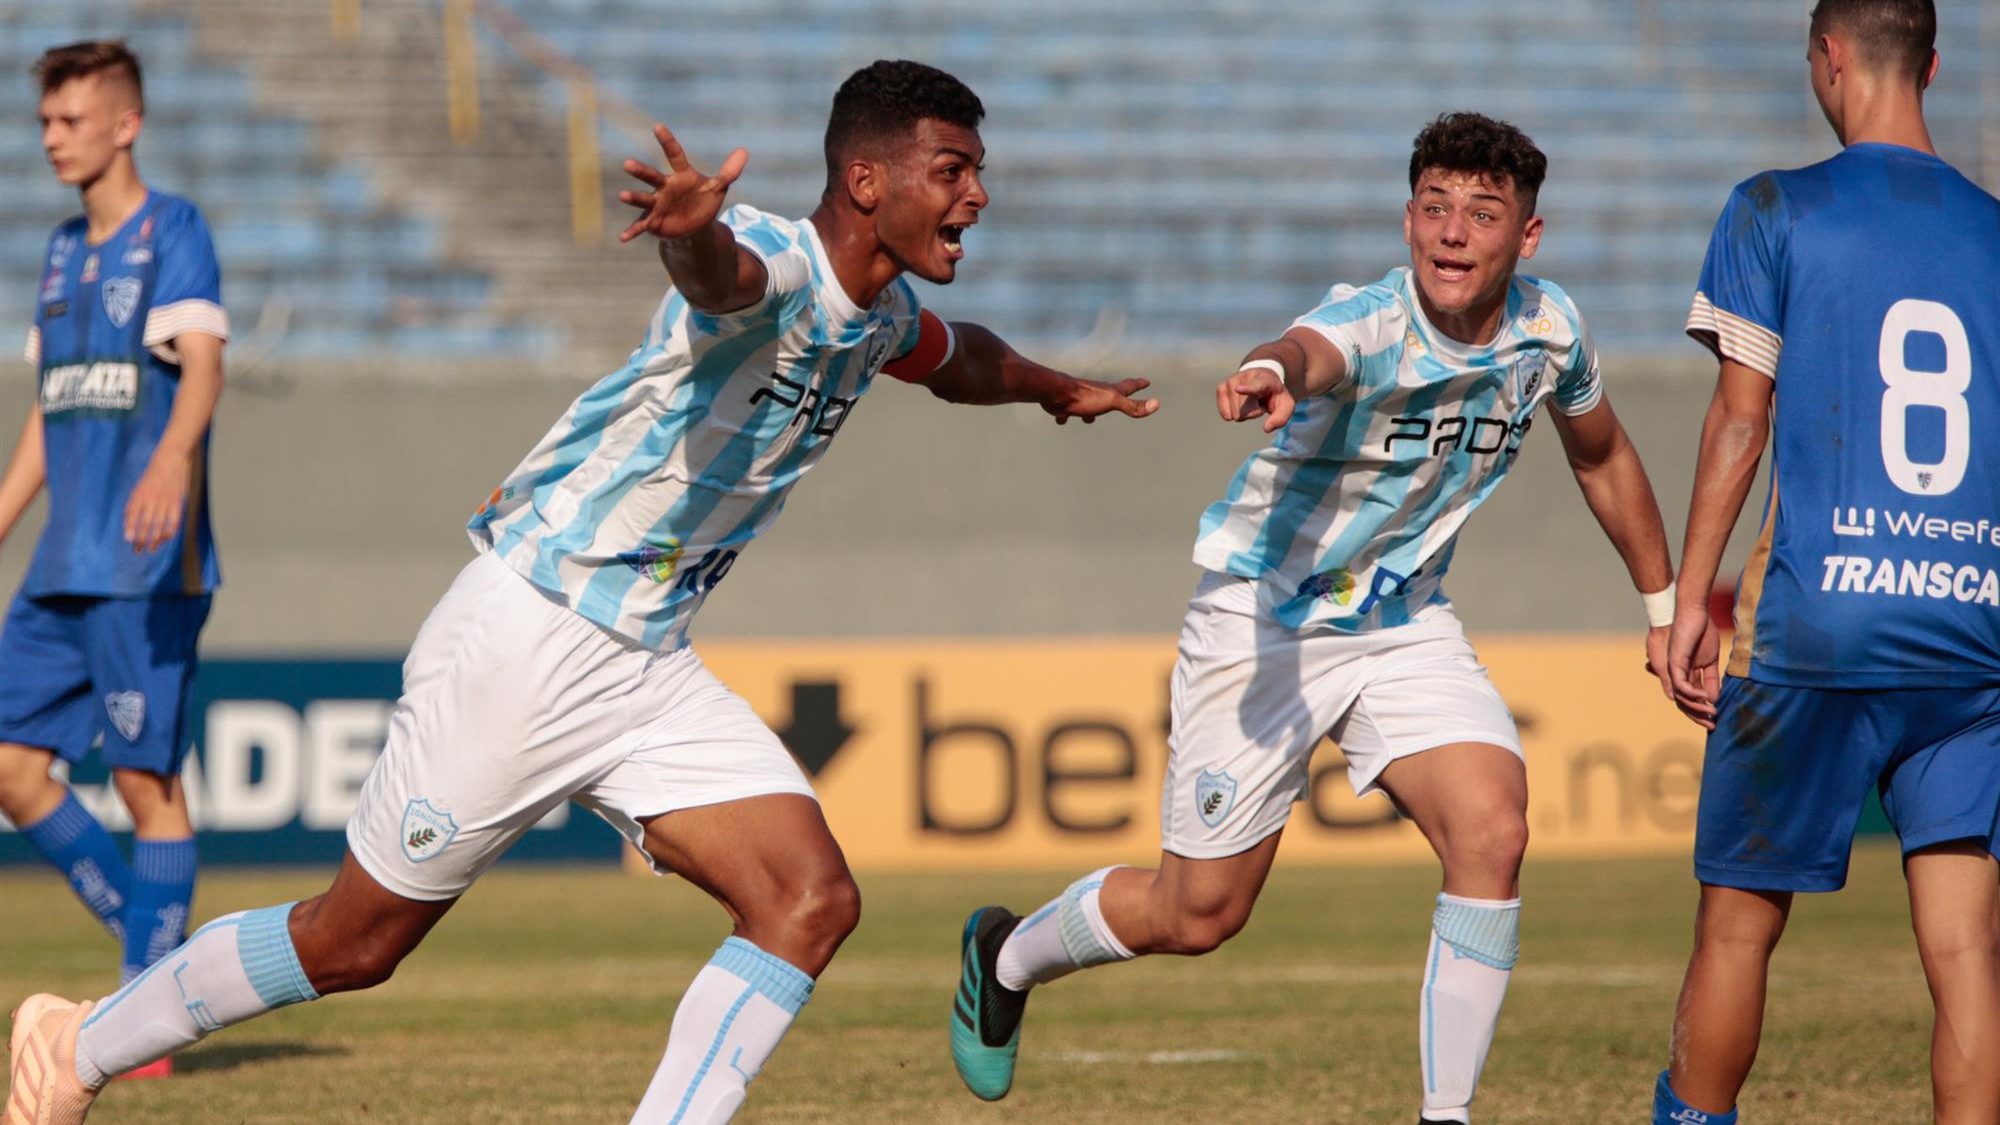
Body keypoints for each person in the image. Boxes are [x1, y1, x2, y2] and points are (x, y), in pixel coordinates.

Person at [5, 59, 1155, 1125]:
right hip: (530, 634)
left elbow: (961, 361)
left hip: (645, 661)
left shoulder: (883, 316)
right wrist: (690, 238)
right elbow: (727, 282)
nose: (975, 196)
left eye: (976, 174)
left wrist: (1062, 389)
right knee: (351, 944)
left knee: (808, 900)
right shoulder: (767, 260)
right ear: (867, 179)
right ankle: (81, 1045)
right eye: (952, 171)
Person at [948, 112, 1676, 1125]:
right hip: (1263, 621)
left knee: (1491, 829)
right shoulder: (1372, 321)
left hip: (1402, 622)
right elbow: (1306, 349)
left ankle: (1444, 1115)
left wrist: (1662, 610)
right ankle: (1006, 956)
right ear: (1406, 218)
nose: (1452, 233)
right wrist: (1269, 373)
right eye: (1433, 208)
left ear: (1528, 236)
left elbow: (1600, 456)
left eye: (1481, 212)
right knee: (1195, 914)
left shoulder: (1550, 330)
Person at [1654, 3, 2000, 1122]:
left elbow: (1739, 420)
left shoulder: (1774, 208)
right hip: (1970, 630)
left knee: (1737, 927)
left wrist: (1691, 600)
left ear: (1828, 55)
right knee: (1963, 955)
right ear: (1933, 66)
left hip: (1814, 626)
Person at [0, 38, 227, 1080]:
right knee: (10, 768)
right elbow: (47, 419)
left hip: (145, 562)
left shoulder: (171, 231)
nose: (51, 138)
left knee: (145, 783)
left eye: (70, 121)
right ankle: (154, 956)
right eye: (45, 122)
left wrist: (172, 462)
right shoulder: (55, 252)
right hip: (62, 563)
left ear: (124, 124)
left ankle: (149, 1019)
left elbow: (204, 369)